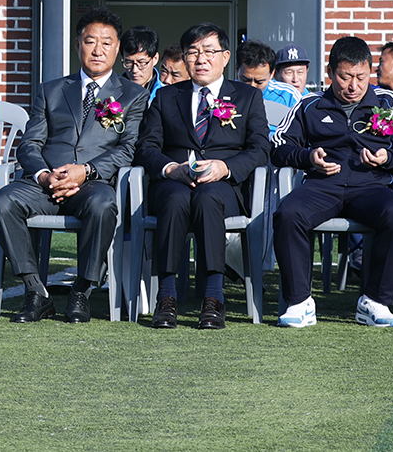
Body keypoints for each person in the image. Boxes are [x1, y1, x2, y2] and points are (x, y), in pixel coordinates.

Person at [0, 7, 147, 325]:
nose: (98, 49)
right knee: (2, 201)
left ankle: (81, 291)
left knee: (105, 205)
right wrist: (45, 175)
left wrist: (84, 171)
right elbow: (30, 144)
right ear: (78, 45)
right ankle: (36, 292)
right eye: (90, 41)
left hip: (94, 182)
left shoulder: (133, 95)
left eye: (106, 42)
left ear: (118, 48)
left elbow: (128, 149)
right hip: (45, 181)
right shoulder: (51, 90)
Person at [271, 36, 393, 328]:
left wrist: (388, 157)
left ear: (370, 73)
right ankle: (300, 302)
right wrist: (307, 156)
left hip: (371, 187)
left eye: (361, 77)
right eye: (345, 77)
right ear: (330, 73)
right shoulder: (309, 105)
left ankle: (375, 301)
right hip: (322, 185)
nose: (353, 85)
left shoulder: (388, 102)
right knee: (288, 213)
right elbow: (278, 146)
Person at [137, 22, 270, 329]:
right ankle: (166, 297)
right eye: (193, 52)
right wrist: (171, 169)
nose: (200, 59)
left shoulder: (247, 97)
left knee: (208, 197)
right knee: (174, 198)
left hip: (223, 186)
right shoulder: (166, 97)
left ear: (225, 57)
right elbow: (146, 147)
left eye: (209, 51)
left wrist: (226, 168)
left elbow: (261, 148)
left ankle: (213, 297)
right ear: (185, 58)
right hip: (175, 180)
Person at [236, 39, 300, 110]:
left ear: (272, 74)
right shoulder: (227, 93)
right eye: (246, 80)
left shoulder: (288, 95)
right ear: (237, 69)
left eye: (259, 82)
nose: (252, 85)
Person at [119, 25, 164, 101]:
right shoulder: (110, 91)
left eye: (141, 63)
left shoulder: (166, 95)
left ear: (155, 59)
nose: (134, 70)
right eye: (129, 62)